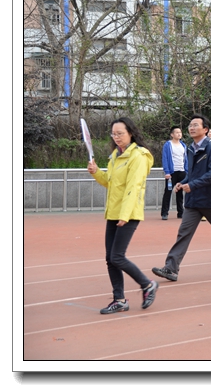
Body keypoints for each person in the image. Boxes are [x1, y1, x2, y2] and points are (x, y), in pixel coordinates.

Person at [152, 114, 211, 283]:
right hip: (193, 200)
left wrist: (193, 185)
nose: (191, 127)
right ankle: (171, 268)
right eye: (190, 125)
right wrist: (182, 183)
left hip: (210, 199)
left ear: (205, 129)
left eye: (196, 125)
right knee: (184, 233)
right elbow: (192, 174)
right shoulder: (189, 148)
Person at [87, 117, 158, 314]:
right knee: (110, 258)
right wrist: (96, 172)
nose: (116, 137)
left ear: (131, 133)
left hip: (129, 213)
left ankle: (147, 284)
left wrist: (125, 215)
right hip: (114, 212)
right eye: (114, 134)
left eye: (120, 133)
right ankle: (119, 300)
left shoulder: (139, 156)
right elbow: (110, 182)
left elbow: (133, 188)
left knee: (117, 256)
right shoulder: (115, 156)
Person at [160, 126, 187, 220]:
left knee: (180, 193)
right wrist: (167, 172)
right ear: (172, 134)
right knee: (168, 192)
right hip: (171, 172)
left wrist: (186, 170)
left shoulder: (183, 145)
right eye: (176, 132)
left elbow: (185, 159)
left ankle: (181, 213)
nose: (179, 134)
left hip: (182, 171)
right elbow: (165, 158)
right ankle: (164, 213)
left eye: (180, 132)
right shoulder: (168, 145)